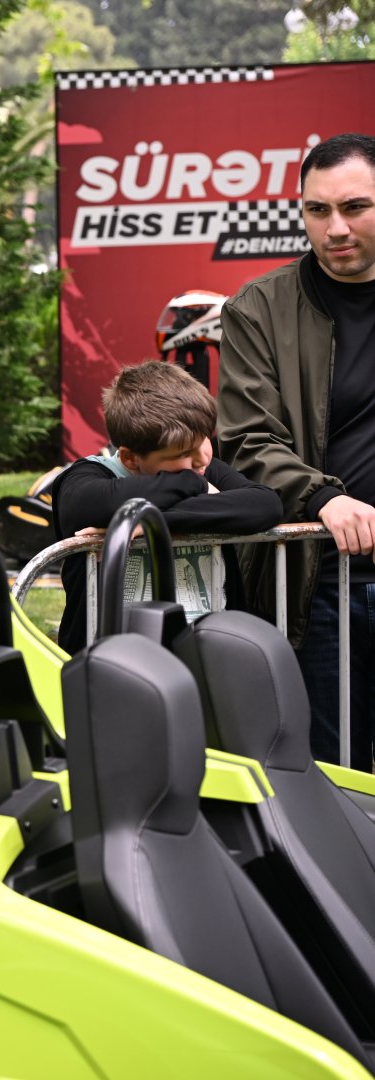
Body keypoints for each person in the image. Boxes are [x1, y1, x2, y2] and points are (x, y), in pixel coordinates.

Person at [219, 131, 375, 768]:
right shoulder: (259, 307)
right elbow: (245, 437)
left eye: (355, 207)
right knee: (335, 778)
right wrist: (322, 498)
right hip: (322, 583)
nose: (335, 228)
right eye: (317, 210)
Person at [51, 361, 281, 655]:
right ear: (131, 458)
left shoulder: (204, 466)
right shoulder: (89, 476)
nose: (202, 460)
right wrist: (194, 485)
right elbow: (90, 504)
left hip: (210, 656)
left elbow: (265, 505)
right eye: (184, 453)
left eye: (204, 440)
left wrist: (152, 521)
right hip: (114, 662)